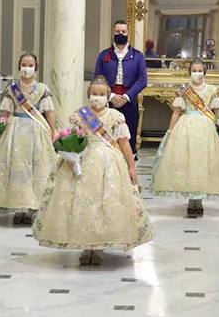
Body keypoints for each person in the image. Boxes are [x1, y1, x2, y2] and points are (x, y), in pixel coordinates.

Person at [34, 76, 152, 265]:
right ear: (88, 95)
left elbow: (124, 143)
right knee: (82, 205)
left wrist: (131, 167)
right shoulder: (80, 115)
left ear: (108, 96)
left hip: (109, 165)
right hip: (82, 163)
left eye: (101, 95)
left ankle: (98, 247)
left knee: (104, 204)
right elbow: (73, 139)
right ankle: (86, 246)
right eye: (94, 94)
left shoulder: (116, 117)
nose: (97, 98)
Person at [0, 52, 58, 225]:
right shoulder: (12, 89)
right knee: (17, 171)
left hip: (37, 131)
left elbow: (49, 112)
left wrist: (53, 131)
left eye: (30, 65)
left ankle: (32, 208)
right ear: (19, 67)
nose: (26, 68)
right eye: (24, 65)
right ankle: (18, 208)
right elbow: (5, 112)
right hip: (14, 132)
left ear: (36, 68)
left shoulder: (43, 89)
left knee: (37, 170)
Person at [152, 59, 219, 217]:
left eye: (200, 70)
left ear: (205, 72)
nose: (197, 73)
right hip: (186, 128)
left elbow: (217, 112)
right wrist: (170, 132)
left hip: (207, 129)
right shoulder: (184, 89)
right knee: (188, 163)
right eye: (194, 70)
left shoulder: (211, 90)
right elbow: (176, 112)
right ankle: (191, 200)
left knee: (202, 163)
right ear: (189, 72)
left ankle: (200, 200)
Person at [93, 19, 149, 152]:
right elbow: (98, 79)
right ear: (113, 32)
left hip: (129, 103)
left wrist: (126, 97)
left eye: (123, 31)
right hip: (108, 103)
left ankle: (128, 166)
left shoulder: (138, 56)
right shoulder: (104, 55)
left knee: (128, 138)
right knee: (108, 138)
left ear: (128, 33)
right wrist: (111, 96)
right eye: (118, 31)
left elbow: (142, 80)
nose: (120, 34)